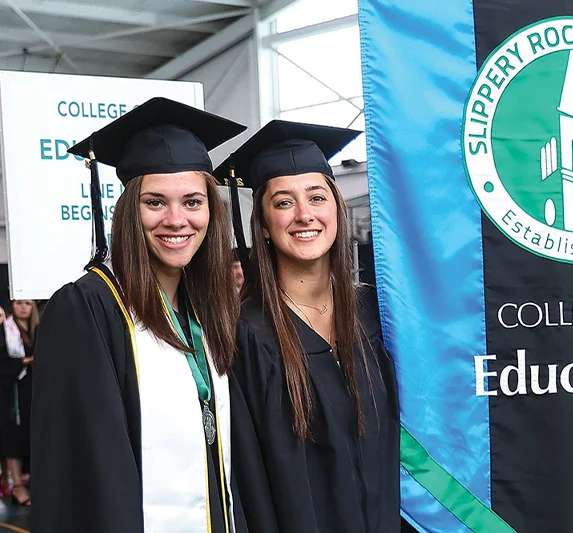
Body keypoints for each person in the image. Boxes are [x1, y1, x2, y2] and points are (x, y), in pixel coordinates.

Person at [33, 97, 246, 532]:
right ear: (128, 210)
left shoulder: (205, 309)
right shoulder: (88, 308)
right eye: (155, 202)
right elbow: (85, 473)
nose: (176, 220)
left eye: (192, 202)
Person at [220, 120, 405, 533]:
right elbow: (247, 483)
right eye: (284, 202)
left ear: (336, 209)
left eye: (317, 197)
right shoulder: (246, 337)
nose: (305, 214)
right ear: (263, 225)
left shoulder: (376, 312)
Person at [3, 299, 37, 506]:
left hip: (34, 390)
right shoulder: (6, 329)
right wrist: (25, 361)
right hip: (12, 391)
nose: (23, 308)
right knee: (12, 437)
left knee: (34, 434)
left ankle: (34, 480)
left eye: (27, 304)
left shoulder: (39, 329)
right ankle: (17, 486)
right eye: (18, 303)